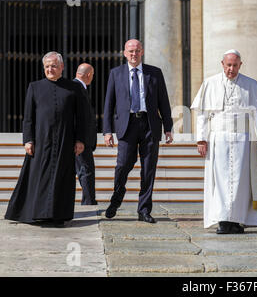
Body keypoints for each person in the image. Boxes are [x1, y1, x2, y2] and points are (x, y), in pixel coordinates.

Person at [191, 49, 257, 234]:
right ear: (222, 64)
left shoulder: (250, 84)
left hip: (244, 139)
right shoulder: (210, 83)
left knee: (241, 182)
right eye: (228, 65)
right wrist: (201, 139)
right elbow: (202, 115)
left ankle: (238, 220)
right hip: (218, 139)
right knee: (220, 181)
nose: (231, 69)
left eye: (235, 65)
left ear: (240, 65)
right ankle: (223, 220)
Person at [4, 52, 85, 227]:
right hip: (41, 140)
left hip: (65, 140)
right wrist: (28, 140)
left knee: (62, 178)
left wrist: (80, 140)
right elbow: (28, 117)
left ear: (62, 67)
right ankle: (37, 213)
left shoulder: (73, 88)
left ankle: (57, 215)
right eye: (47, 66)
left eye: (54, 66)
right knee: (37, 177)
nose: (50, 69)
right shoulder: (35, 87)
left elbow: (81, 117)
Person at [103, 39, 173, 223]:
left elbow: (163, 102)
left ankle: (144, 210)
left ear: (142, 52)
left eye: (137, 51)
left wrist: (168, 127)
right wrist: (107, 131)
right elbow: (109, 104)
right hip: (127, 126)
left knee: (148, 169)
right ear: (125, 53)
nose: (134, 54)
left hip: (150, 125)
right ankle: (116, 199)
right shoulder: (116, 74)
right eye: (130, 51)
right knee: (123, 165)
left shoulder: (154, 73)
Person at [73, 63, 98, 205]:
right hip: (81, 141)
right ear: (88, 75)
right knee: (86, 171)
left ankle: (88, 200)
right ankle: (89, 202)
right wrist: (80, 139)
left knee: (85, 170)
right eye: (92, 75)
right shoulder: (76, 88)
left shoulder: (79, 88)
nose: (92, 77)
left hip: (82, 140)